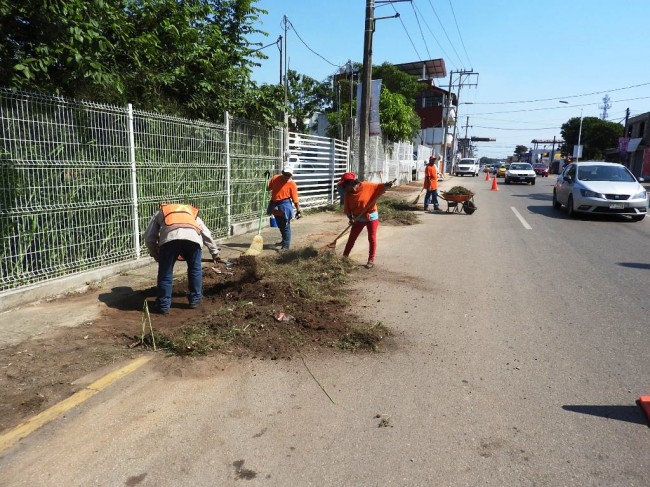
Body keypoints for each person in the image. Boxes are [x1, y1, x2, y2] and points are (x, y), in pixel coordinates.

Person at [144, 203, 221, 314]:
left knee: (165, 273)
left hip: (169, 241)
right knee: (195, 269)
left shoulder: (162, 211)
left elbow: (149, 237)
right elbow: (206, 233)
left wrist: (156, 254)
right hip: (192, 240)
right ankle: (195, 300)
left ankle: (163, 305)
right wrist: (215, 253)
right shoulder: (190, 212)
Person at [337, 172, 394, 269]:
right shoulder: (348, 195)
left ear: (351, 183)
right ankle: (345, 257)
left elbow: (380, 187)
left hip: (371, 216)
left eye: (344, 186)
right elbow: (347, 209)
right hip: (358, 218)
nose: (343, 188)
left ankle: (371, 259)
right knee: (352, 238)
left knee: (371, 238)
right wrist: (351, 219)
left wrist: (386, 185)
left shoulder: (367, 186)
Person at [267, 162, 302, 251]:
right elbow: (268, 188)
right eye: (285, 174)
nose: (287, 176)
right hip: (275, 204)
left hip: (285, 205)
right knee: (280, 225)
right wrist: (266, 180)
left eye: (289, 175)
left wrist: (298, 210)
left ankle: (286, 247)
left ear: (291, 175)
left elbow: (295, 199)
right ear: (282, 172)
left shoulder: (292, 184)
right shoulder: (275, 178)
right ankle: (284, 241)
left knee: (286, 226)